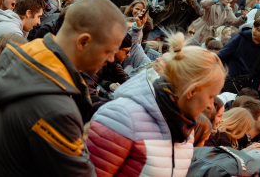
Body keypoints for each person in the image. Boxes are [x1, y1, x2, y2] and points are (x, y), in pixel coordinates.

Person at [0, 0, 128, 177]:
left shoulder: (30, 56)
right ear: (83, 42)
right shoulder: (56, 109)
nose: (112, 59)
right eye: (108, 51)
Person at [88, 31, 226, 175]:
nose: (211, 105)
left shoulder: (186, 131)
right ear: (191, 91)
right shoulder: (122, 117)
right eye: (210, 96)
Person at [218, 16, 260, 93]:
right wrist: (221, 74)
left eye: (258, 30)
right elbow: (221, 56)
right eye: (254, 27)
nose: (254, 31)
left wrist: (250, 91)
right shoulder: (240, 37)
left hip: (242, 87)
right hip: (224, 79)